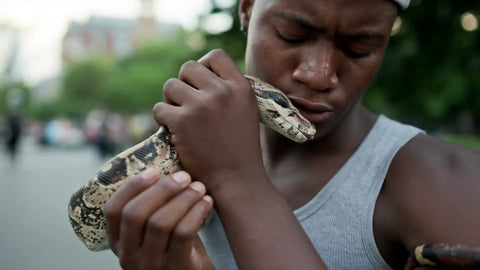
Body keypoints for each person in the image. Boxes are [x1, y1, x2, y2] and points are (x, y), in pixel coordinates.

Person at [103, 0, 480, 269]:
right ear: (247, 10)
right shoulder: (192, 149)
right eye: (292, 34)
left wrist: (237, 181)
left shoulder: (445, 180)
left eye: (359, 47)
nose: (319, 74)